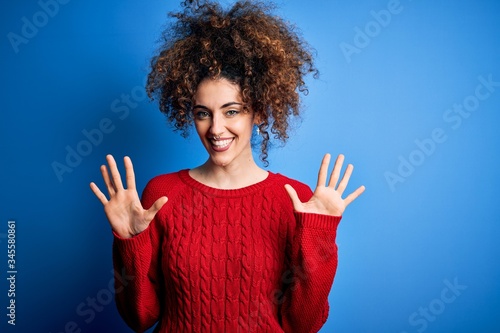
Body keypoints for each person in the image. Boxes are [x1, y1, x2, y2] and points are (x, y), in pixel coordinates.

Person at [89, 1, 365, 332]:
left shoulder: (295, 199)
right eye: (203, 113)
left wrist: (319, 235)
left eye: (232, 111)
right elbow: (141, 318)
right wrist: (129, 242)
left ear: (259, 112)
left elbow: (303, 324)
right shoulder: (162, 194)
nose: (216, 128)